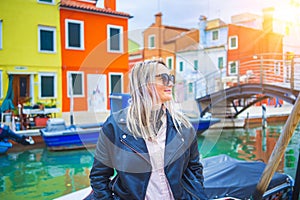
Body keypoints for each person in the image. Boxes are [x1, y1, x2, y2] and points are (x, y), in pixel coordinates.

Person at [87, 60, 207, 199]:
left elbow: (195, 169)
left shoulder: (183, 127)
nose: (170, 83)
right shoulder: (114, 126)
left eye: (171, 78)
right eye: (163, 78)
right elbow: (99, 176)